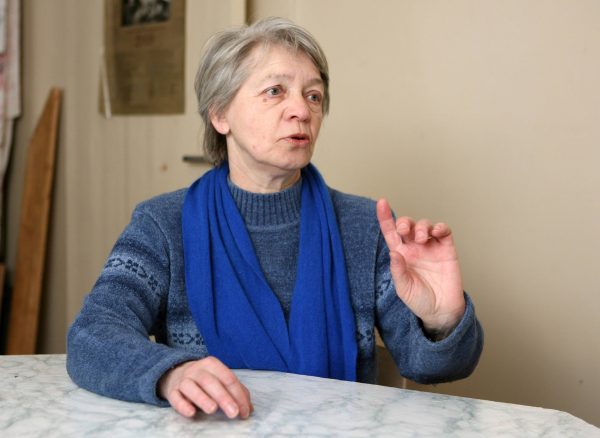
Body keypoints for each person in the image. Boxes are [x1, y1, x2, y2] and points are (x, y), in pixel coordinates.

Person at [67, 17, 483, 420]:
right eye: (274, 91)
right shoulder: (161, 224)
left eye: (313, 95)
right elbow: (92, 335)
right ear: (220, 115)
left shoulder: (367, 225)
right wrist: (171, 373)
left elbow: (431, 366)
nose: (301, 110)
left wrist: (442, 318)